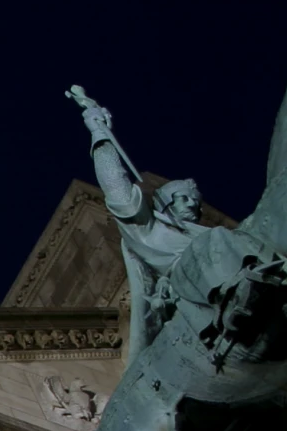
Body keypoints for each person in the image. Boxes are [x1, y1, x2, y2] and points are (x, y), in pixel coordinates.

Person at [78, 97, 208, 356]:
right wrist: (100, 135)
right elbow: (118, 192)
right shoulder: (149, 230)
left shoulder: (212, 235)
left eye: (195, 201)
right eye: (183, 197)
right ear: (166, 203)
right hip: (194, 298)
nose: (192, 205)